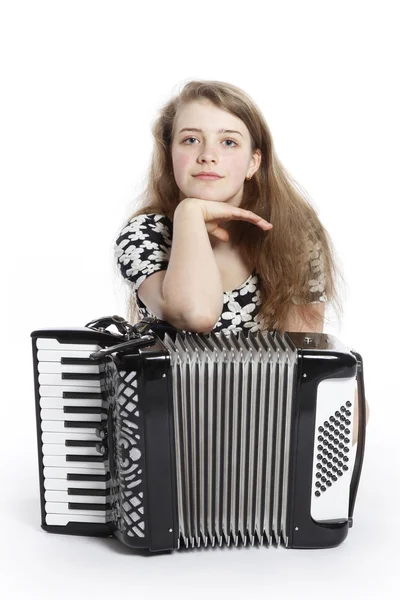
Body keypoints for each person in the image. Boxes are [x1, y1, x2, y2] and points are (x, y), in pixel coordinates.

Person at [113, 78, 369, 443]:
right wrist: (189, 214)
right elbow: (196, 314)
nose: (207, 155)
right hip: (165, 424)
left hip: (262, 426)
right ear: (170, 156)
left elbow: (306, 358)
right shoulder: (143, 235)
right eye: (190, 140)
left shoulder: (295, 235)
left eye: (228, 141)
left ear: (253, 162)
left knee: (349, 396)